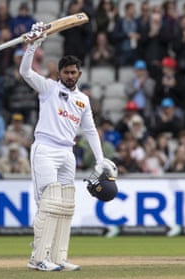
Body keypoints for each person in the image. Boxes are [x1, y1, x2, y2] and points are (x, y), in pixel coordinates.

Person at [19, 22, 117, 272]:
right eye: (66, 72)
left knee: (65, 205)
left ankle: (59, 256)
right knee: (48, 205)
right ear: (59, 73)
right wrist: (33, 45)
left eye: (74, 72)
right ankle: (38, 257)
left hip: (67, 153)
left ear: (79, 74)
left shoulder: (82, 99)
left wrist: (99, 159)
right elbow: (26, 73)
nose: (70, 76)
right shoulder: (49, 88)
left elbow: (91, 130)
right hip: (45, 150)